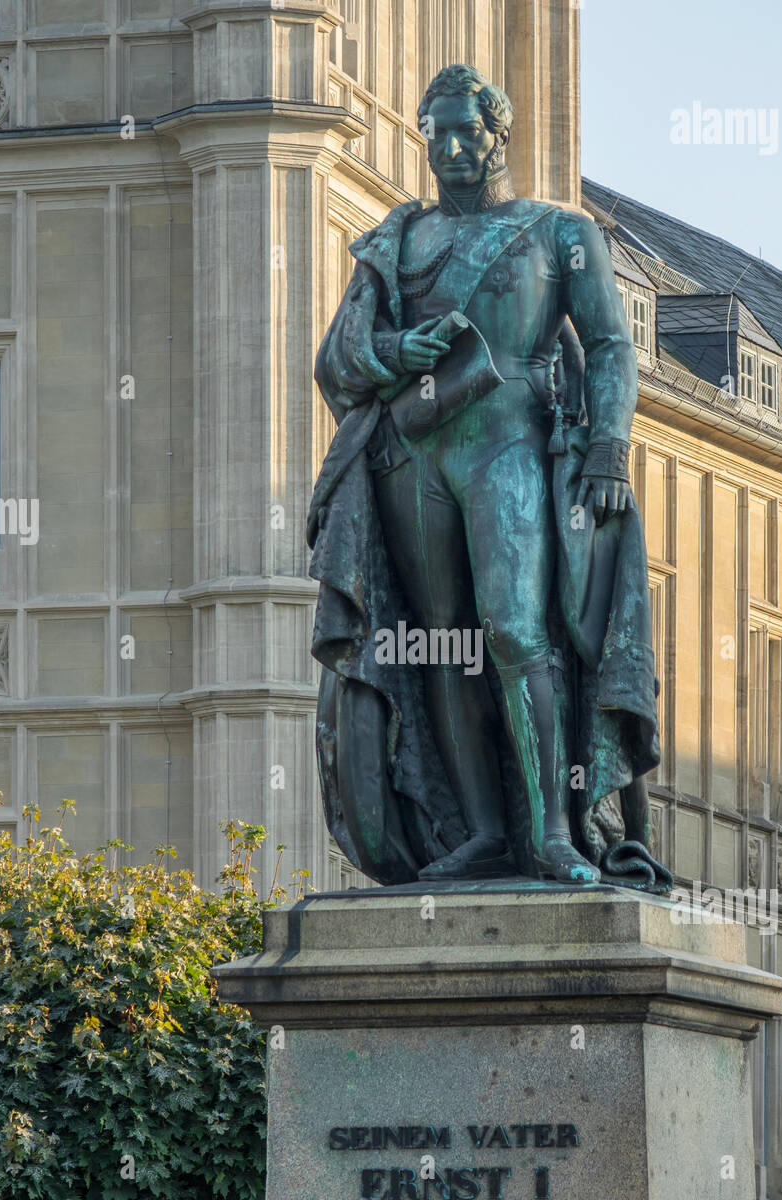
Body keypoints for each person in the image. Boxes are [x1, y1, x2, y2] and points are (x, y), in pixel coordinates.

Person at [308, 64, 670, 891]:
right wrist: (398, 351)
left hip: (511, 441)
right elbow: (338, 358)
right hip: (414, 455)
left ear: (498, 134)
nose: (452, 148)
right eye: (437, 133)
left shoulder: (559, 230)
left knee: (514, 629)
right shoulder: (396, 239)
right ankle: (474, 830)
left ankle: (549, 832)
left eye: (468, 131)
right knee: (442, 641)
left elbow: (611, 346)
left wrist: (610, 449)